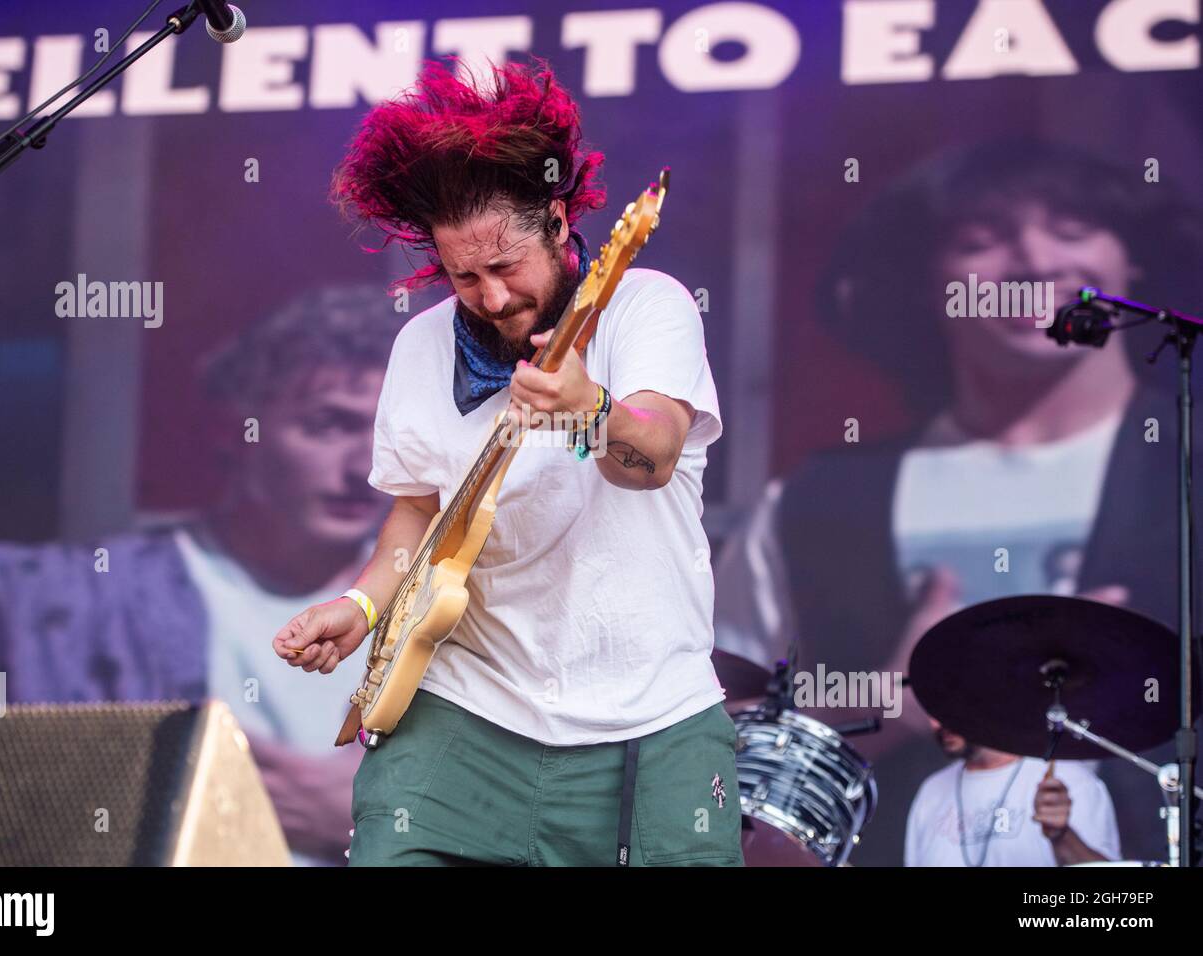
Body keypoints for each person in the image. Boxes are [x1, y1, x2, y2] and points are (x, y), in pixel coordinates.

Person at [273, 59, 741, 867]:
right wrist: (361, 606)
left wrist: (587, 408)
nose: (489, 297)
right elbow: (420, 511)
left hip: (650, 719)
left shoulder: (645, 304)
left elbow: (654, 454)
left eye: (506, 267)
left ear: (559, 224)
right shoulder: (420, 347)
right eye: (464, 275)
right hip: (464, 709)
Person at [714, 140, 1203, 864]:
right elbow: (706, 726)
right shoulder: (816, 502)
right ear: (924, 284)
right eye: (982, 241)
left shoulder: (1182, 463)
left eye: (1072, 230)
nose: (1036, 262)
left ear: (1131, 257)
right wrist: (885, 707)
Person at [0, 284, 397, 864]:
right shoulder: (86, 595)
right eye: (327, 425)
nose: (363, 466)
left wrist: (379, 818)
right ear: (235, 432)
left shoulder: (436, 609)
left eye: (383, 431)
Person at [905, 719, 1119, 867]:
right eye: (930, 710)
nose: (936, 724)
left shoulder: (1068, 778)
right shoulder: (931, 791)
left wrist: (1062, 835)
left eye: (945, 708)